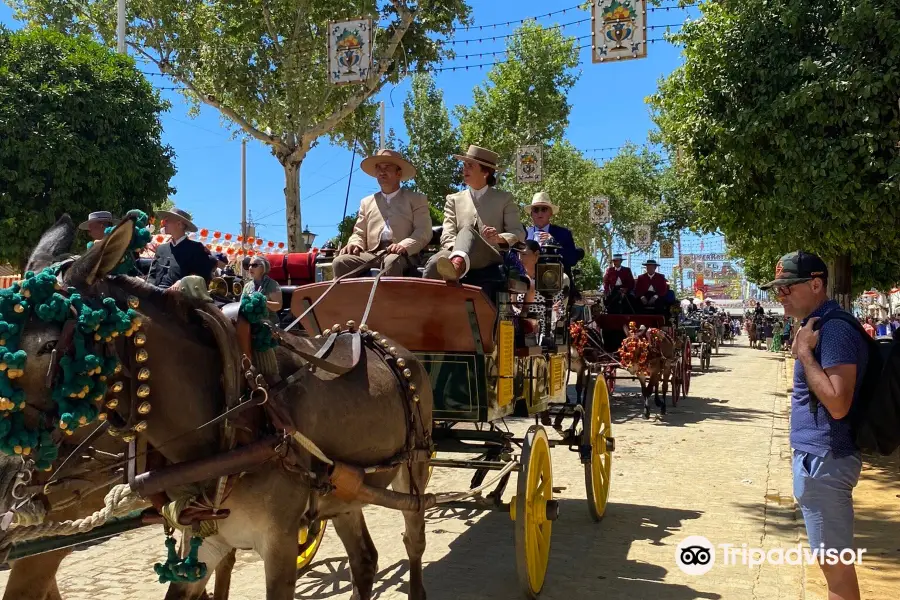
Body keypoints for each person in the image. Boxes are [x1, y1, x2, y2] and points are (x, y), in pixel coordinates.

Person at [762, 250, 867, 600]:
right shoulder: (819, 325)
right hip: (820, 459)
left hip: (826, 459)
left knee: (835, 570)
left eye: (787, 288)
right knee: (832, 565)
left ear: (816, 284)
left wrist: (804, 354)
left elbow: (837, 403)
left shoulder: (832, 330)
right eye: (777, 289)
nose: (781, 296)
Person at [423, 145, 526, 282]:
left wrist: (499, 238)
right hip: (454, 251)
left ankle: (456, 265)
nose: (464, 169)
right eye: (464, 165)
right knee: (435, 262)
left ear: (485, 172)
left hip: (489, 255)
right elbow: (448, 234)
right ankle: (425, 301)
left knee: (466, 231)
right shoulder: (453, 199)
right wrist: (460, 250)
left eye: (470, 165)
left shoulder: (504, 199)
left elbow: (518, 233)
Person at [333, 149, 432, 278]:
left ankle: (390, 299)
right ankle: (351, 298)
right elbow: (359, 232)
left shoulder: (416, 199)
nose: (382, 172)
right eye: (378, 168)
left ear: (398, 173)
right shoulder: (366, 202)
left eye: (387, 167)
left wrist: (404, 245)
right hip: (372, 254)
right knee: (340, 262)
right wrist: (354, 243)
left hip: (403, 255)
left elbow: (423, 230)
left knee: (391, 262)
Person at [147, 207, 216, 289]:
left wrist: (183, 282)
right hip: (156, 296)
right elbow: (152, 276)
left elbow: (203, 275)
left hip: (181, 298)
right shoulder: (161, 249)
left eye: (167, 220)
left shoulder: (196, 248)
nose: (163, 223)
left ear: (179, 224)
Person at [525, 192, 584, 271]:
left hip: (557, 279)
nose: (540, 213)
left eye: (544, 209)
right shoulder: (524, 234)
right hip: (529, 279)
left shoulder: (564, 234)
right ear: (531, 214)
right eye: (536, 210)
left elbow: (572, 260)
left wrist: (554, 243)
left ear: (551, 213)